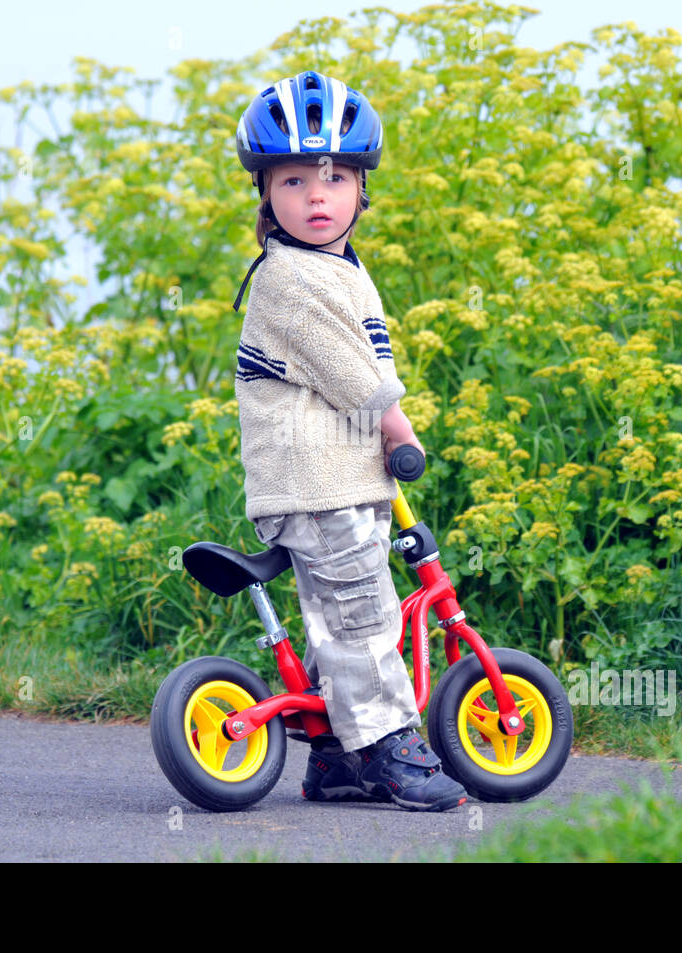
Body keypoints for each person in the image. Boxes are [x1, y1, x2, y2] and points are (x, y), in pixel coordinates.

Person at [229, 70, 468, 812]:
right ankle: (394, 746)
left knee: (335, 615)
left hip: (339, 478)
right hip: (316, 481)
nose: (316, 196)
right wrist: (399, 431)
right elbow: (351, 376)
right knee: (362, 612)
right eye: (294, 181)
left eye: (335, 178)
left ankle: (336, 756)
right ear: (265, 194)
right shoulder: (289, 279)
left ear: (363, 189)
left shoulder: (331, 266)